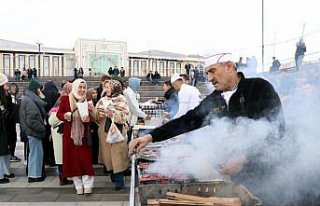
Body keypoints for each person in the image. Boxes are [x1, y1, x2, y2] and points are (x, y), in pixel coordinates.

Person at [129, 53, 285, 204]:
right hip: (234, 177)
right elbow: (188, 120)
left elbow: (277, 129)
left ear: (229, 66)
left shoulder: (258, 87)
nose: (209, 78)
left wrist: (245, 158)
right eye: (207, 73)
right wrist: (149, 137)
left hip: (265, 174)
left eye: (212, 71)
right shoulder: (215, 99)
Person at [56, 79, 95, 195]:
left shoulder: (87, 101)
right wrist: (65, 116)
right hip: (70, 136)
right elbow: (58, 114)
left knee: (85, 160)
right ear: (75, 87)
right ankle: (78, 185)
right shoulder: (65, 99)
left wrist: (89, 119)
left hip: (83, 135)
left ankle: (88, 184)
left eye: (84, 87)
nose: (82, 90)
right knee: (73, 160)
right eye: (80, 87)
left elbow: (93, 118)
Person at [94, 80, 130, 190]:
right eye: (105, 87)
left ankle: (120, 183)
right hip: (104, 132)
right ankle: (113, 176)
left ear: (115, 88)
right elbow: (96, 117)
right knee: (108, 158)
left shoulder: (122, 99)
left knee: (118, 157)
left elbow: (124, 116)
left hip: (118, 132)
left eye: (108, 87)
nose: (106, 89)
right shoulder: (102, 100)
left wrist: (113, 113)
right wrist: (97, 112)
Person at [19, 78, 47, 183]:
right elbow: (32, 120)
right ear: (36, 89)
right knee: (36, 155)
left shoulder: (28, 98)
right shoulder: (30, 100)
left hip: (31, 132)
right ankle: (34, 176)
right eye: (39, 89)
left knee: (34, 154)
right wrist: (42, 128)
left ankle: (35, 174)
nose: (40, 91)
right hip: (34, 132)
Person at [48, 82, 73, 185]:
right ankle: (63, 177)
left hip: (62, 132)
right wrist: (64, 118)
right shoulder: (62, 100)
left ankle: (64, 176)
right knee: (60, 156)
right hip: (59, 133)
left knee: (62, 156)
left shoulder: (66, 99)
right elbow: (53, 120)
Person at [0, 73, 12, 184]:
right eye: (5, 84)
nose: (7, 86)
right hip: (1, 129)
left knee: (4, 152)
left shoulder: (5, 96)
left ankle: (4, 172)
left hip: (4, 128)